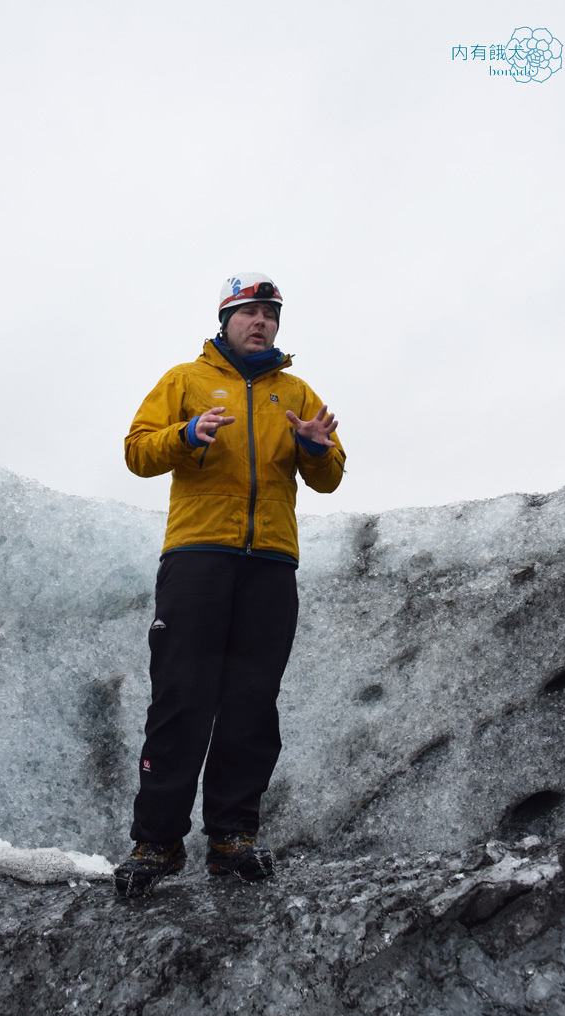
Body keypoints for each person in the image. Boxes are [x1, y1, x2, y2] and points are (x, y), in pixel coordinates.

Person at [114, 272, 345, 897]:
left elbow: (329, 478)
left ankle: (232, 837)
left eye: (270, 312)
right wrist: (187, 435)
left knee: (252, 701)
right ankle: (157, 842)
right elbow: (137, 452)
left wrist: (317, 448)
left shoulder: (295, 391)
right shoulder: (185, 381)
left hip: (270, 563)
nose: (261, 321)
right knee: (182, 696)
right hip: (197, 557)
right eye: (248, 312)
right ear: (225, 320)